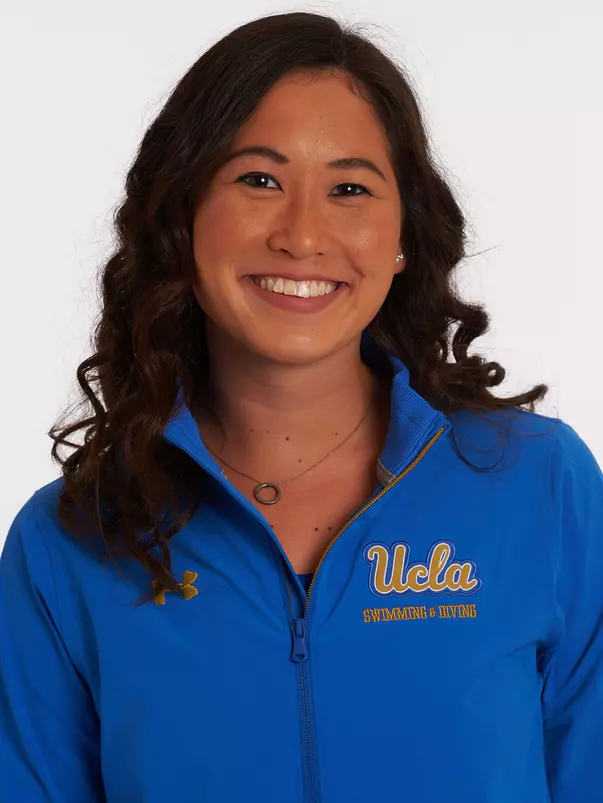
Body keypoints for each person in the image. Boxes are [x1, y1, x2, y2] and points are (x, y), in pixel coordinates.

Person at [0, 10, 601, 803]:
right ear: (181, 219)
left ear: (401, 239)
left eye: (349, 188)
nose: (303, 234)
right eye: (258, 179)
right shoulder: (71, 541)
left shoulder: (538, 485)